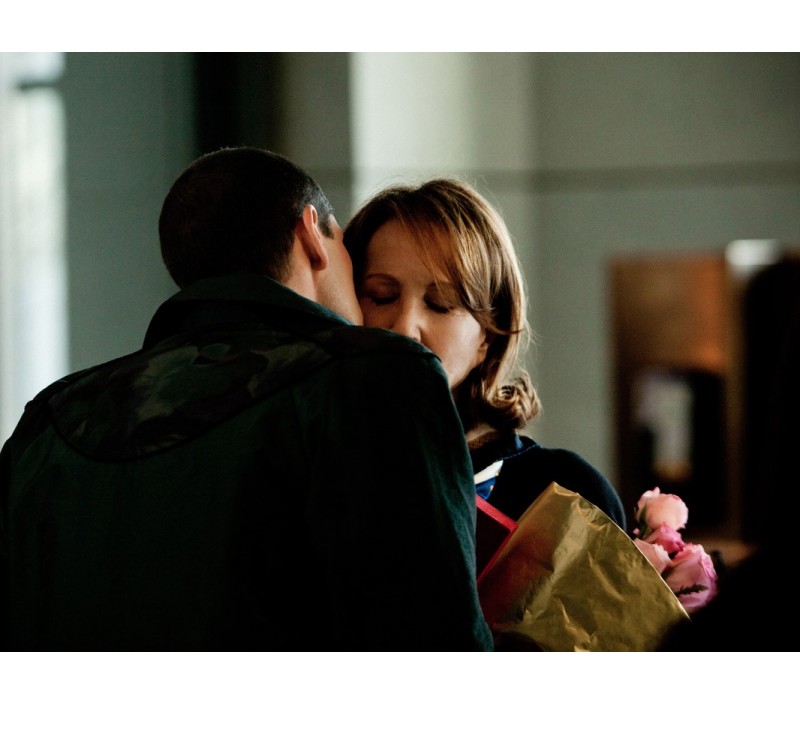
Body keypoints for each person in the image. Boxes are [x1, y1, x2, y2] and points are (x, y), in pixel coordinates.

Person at [0, 148, 493, 651]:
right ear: (312, 236)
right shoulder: (372, 380)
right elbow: (435, 642)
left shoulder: (49, 421)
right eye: (376, 289)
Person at [344, 178, 626, 532]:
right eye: (381, 296)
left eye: (441, 303)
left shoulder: (567, 494)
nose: (404, 328)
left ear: (490, 332)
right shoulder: (313, 474)